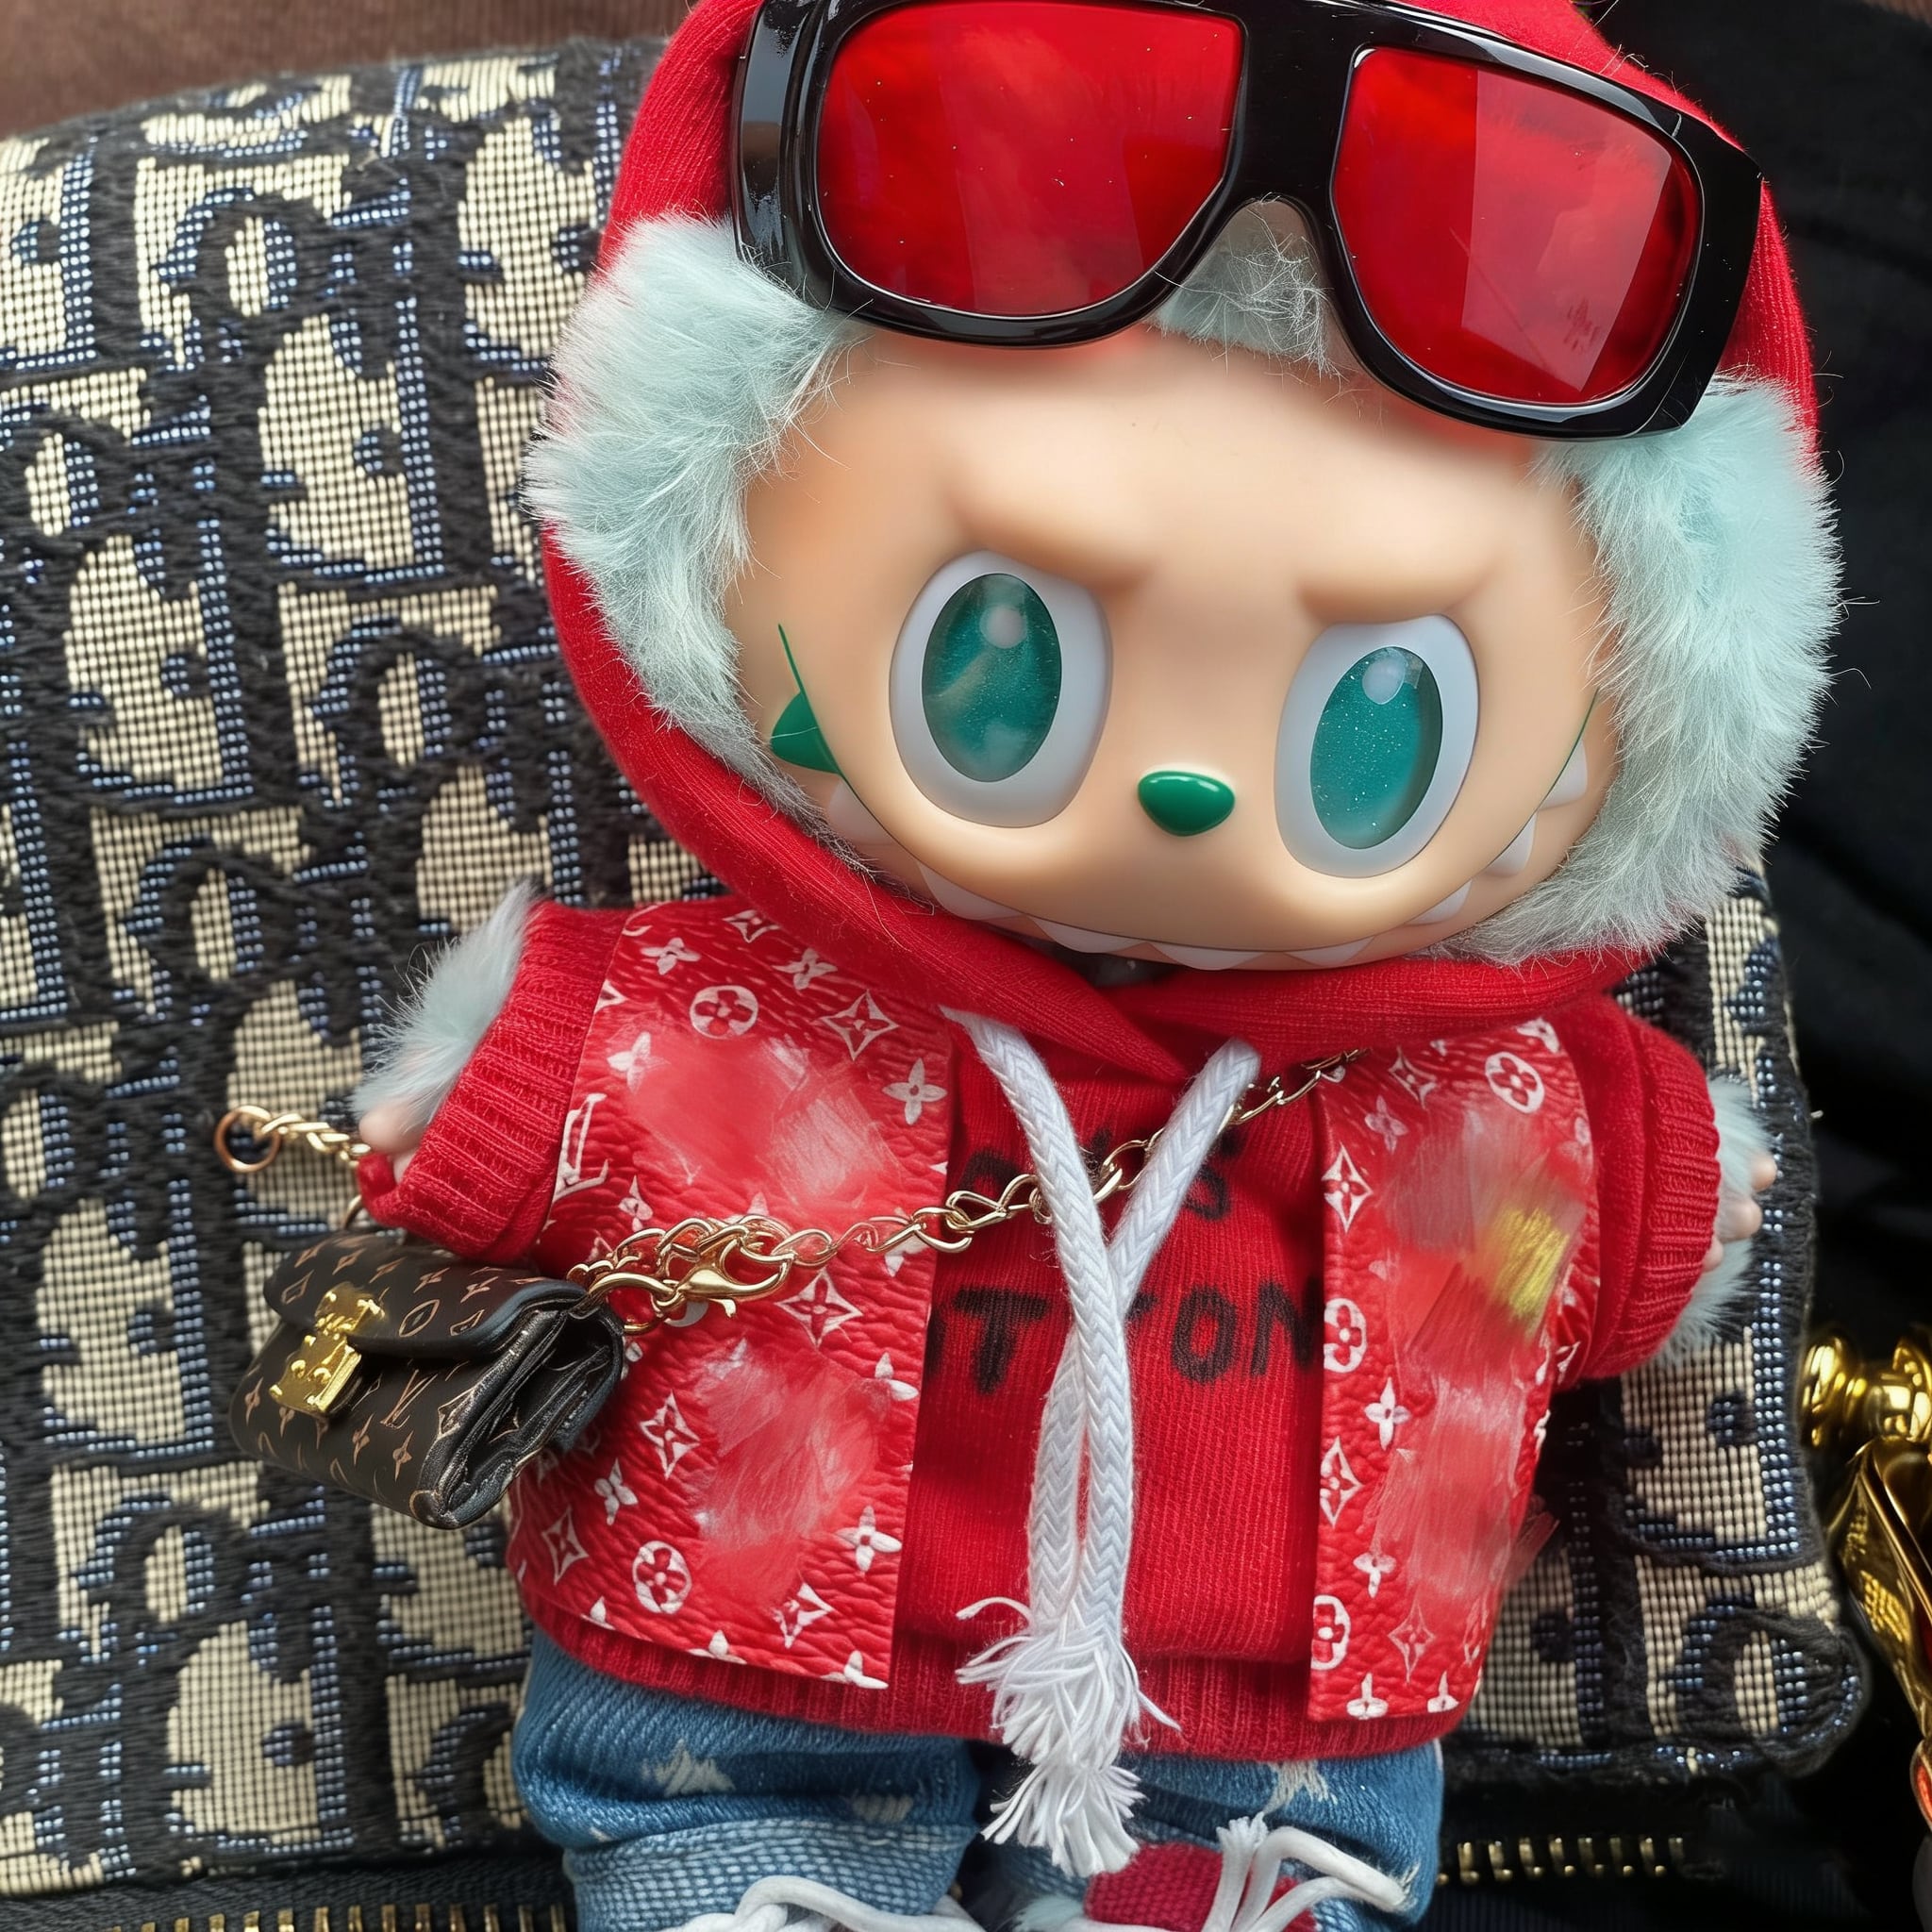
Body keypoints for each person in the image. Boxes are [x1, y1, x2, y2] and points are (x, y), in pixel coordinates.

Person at [350, 2, 1834, 1926]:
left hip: (1265, 1701)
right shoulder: (714, 1017)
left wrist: (1660, 1199)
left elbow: (1627, 1231)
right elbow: (487, 1125)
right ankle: (751, 1876)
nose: (1186, 793)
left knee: (1249, 1870)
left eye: (1373, 726)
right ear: (698, 543)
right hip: (745, 1656)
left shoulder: (1491, 1101)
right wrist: (479, 1110)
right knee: (722, 1834)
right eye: (1002, 664)